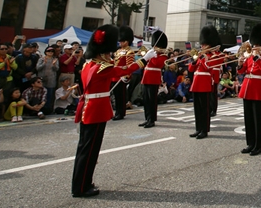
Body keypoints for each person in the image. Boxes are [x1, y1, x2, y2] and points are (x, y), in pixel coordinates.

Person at [72, 24, 156, 198]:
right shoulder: (102, 67)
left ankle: (83, 182)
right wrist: (145, 59)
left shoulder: (90, 65)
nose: (111, 54)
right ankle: (81, 187)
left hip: (89, 108)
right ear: (103, 51)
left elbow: (114, 73)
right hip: (96, 111)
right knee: (90, 151)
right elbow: (124, 69)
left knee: (86, 150)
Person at [237, 23, 261, 156]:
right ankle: (250, 143)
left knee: (258, 119)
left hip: (257, 88)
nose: (254, 47)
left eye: (257, 44)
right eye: (254, 44)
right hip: (247, 87)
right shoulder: (250, 56)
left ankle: (258, 145)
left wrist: (257, 57)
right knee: (248, 118)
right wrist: (240, 64)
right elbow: (243, 71)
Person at [188, 25, 223, 139]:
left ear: (210, 45)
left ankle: (205, 130)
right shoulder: (200, 56)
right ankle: (198, 129)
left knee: (204, 109)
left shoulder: (214, 56)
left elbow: (208, 66)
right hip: (196, 83)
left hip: (204, 83)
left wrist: (202, 57)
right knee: (197, 109)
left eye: (204, 45)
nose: (202, 46)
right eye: (202, 44)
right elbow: (191, 69)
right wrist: (194, 60)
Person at [139, 30, 169, 129]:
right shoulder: (152, 53)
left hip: (153, 78)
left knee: (152, 100)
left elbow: (157, 64)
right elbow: (143, 64)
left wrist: (152, 55)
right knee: (146, 100)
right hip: (146, 78)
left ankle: (151, 120)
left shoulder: (163, 55)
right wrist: (147, 55)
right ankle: (147, 118)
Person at [36, 46, 60, 114]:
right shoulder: (41, 59)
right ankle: (40, 109)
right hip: (42, 78)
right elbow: (38, 68)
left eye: (52, 51)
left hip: (51, 79)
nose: (50, 53)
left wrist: (54, 65)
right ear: (46, 52)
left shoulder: (55, 59)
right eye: (49, 51)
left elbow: (56, 69)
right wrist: (44, 63)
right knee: (41, 94)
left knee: (49, 94)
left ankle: (48, 109)